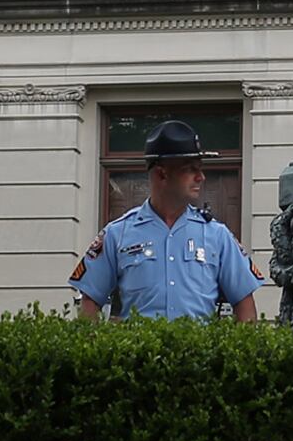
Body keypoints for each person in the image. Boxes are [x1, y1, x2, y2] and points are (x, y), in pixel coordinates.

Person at [73, 120, 262, 321]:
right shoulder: (117, 233)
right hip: (138, 351)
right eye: (191, 169)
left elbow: (245, 305)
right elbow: (89, 301)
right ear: (162, 174)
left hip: (200, 351)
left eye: (200, 168)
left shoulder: (216, 234)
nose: (201, 177)